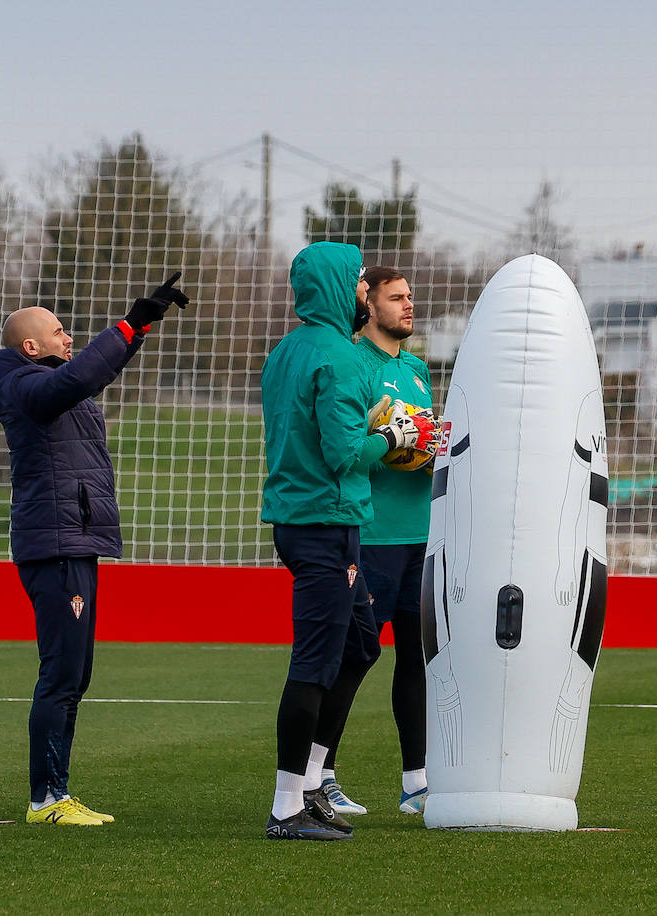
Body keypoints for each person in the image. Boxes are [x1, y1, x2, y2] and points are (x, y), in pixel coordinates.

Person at [0, 273, 191, 827]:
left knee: (75, 674)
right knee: (62, 673)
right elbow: (78, 377)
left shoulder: (43, 379)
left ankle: (56, 794)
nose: (68, 337)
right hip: (54, 543)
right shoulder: (27, 390)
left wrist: (138, 327)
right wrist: (130, 323)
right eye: (58, 331)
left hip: (71, 540)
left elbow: (88, 371)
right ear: (31, 347)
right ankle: (46, 800)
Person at [259, 243, 436, 841]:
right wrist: (393, 437)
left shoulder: (290, 348)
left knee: (361, 647)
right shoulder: (336, 355)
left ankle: (312, 781)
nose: (367, 291)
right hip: (325, 523)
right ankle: (290, 804)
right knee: (316, 662)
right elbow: (341, 454)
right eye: (363, 283)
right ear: (341, 288)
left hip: (308, 518)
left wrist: (372, 424)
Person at [317, 266, 437, 818]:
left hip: (420, 534)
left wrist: (434, 442)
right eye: (396, 298)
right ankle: (322, 774)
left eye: (410, 297)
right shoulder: (351, 363)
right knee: (353, 658)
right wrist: (391, 437)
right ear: (369, 304)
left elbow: (420, 449)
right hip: (369, 535)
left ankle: (417, 783)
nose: (408, 306)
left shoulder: (415, 368)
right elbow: (349, 448)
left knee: (417, 658)